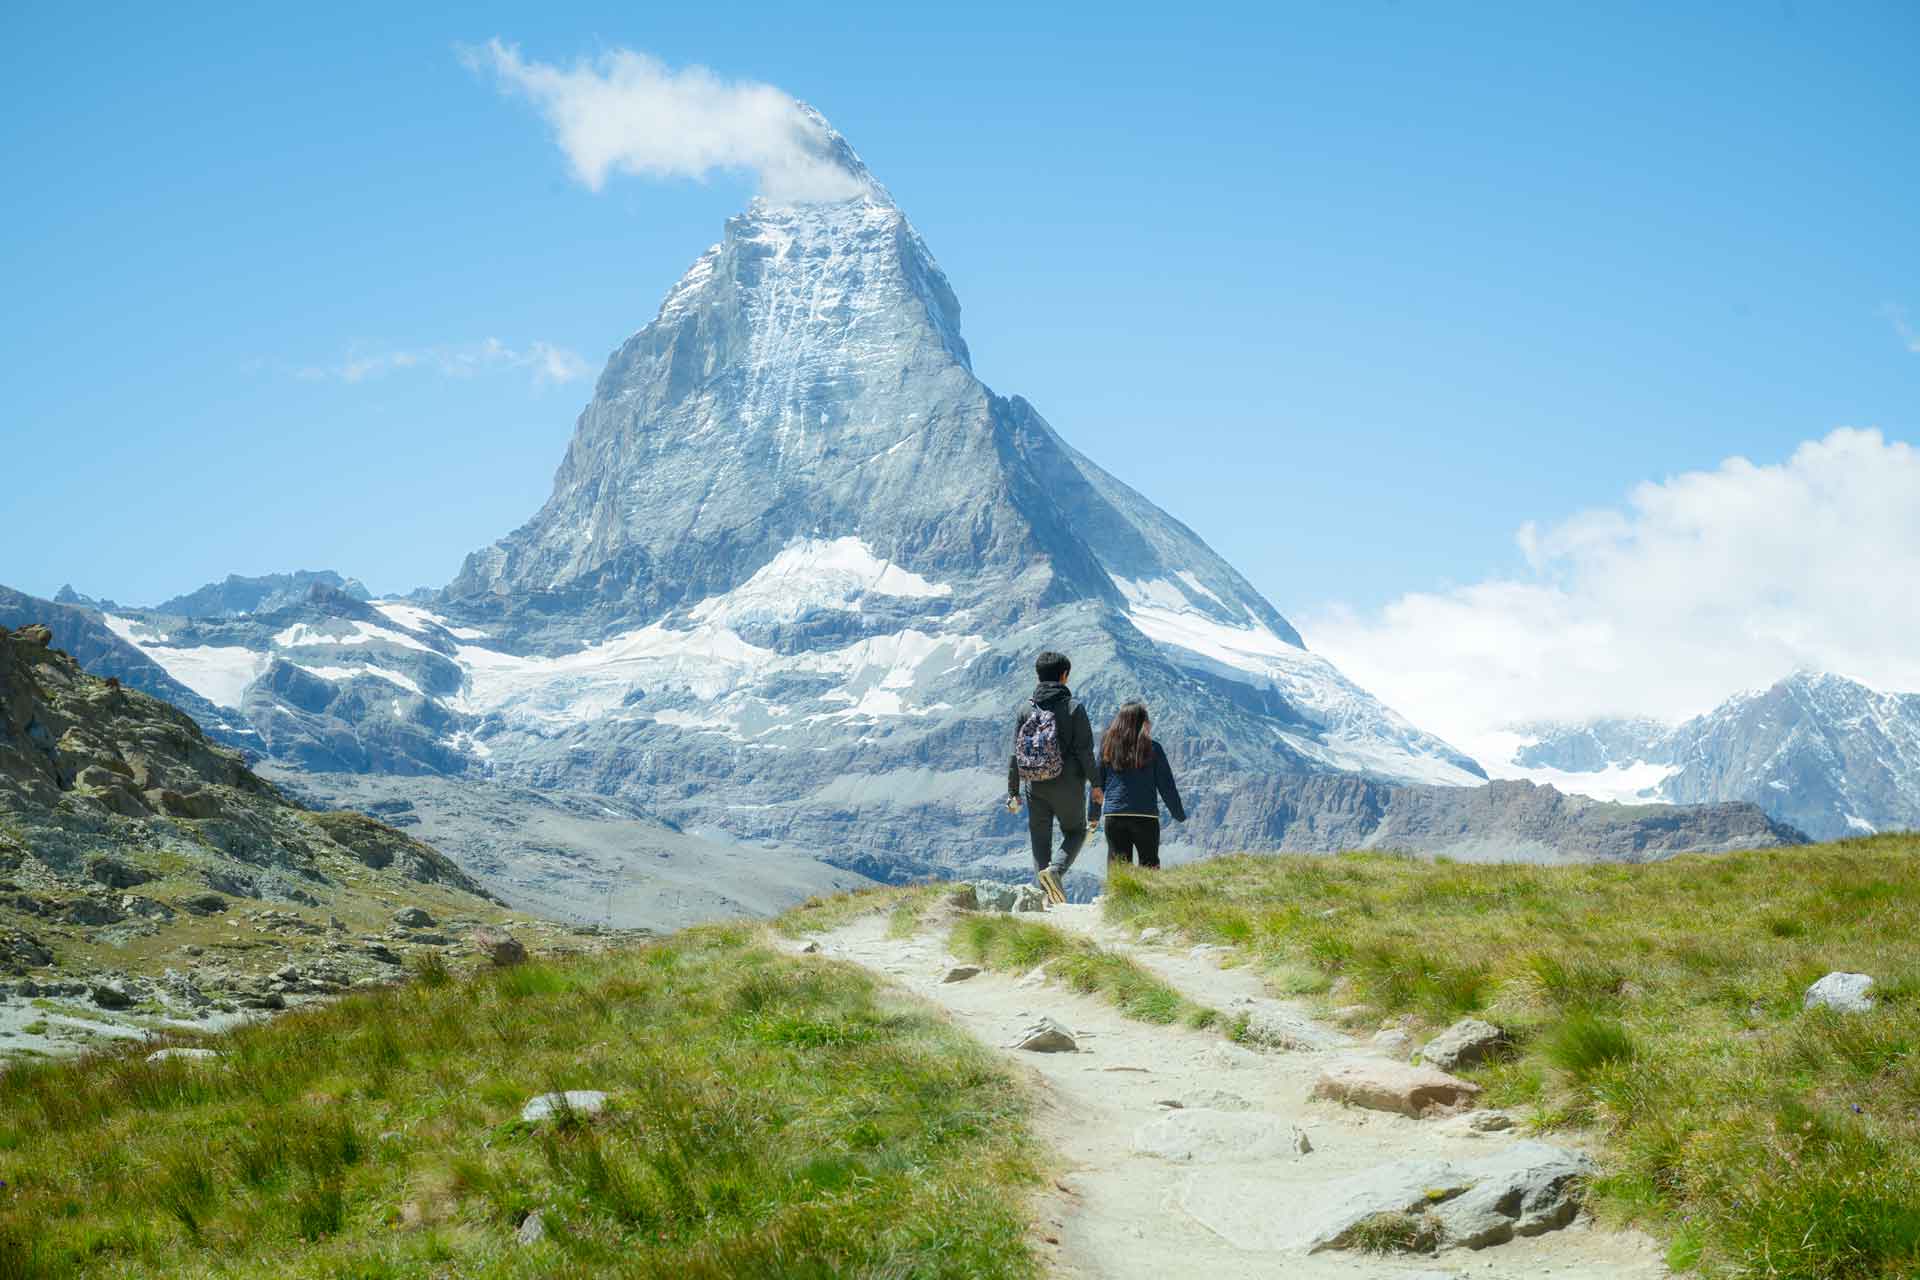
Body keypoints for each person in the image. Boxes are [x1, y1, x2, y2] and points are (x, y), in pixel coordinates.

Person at [1007, 650, 1101, 904]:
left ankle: (1044, 898)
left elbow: (1015, 754)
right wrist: (1096, 783)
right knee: (1075, 832)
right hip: (1068, 783)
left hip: (1034, 784)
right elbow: (1084, 751)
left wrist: (1013, 791)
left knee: (1040, 840)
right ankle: (1056, 872)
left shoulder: (1025, 708)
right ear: (1064, 676)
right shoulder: (1073, 707)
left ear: (1038, 676)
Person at [1097, 701, 1185, 869]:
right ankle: (1149, 896)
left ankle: (1119, 896)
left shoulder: (1107, 747)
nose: (1150, 724)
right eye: (1147, 720)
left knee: (1119, 870)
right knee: (1149, 866)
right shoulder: (1153, 748)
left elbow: (1097, 784)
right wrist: (1178, 813)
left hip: (1115, 816)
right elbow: (1167, 786)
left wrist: (1093, 815)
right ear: (1142, 723)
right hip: (1146, 817)